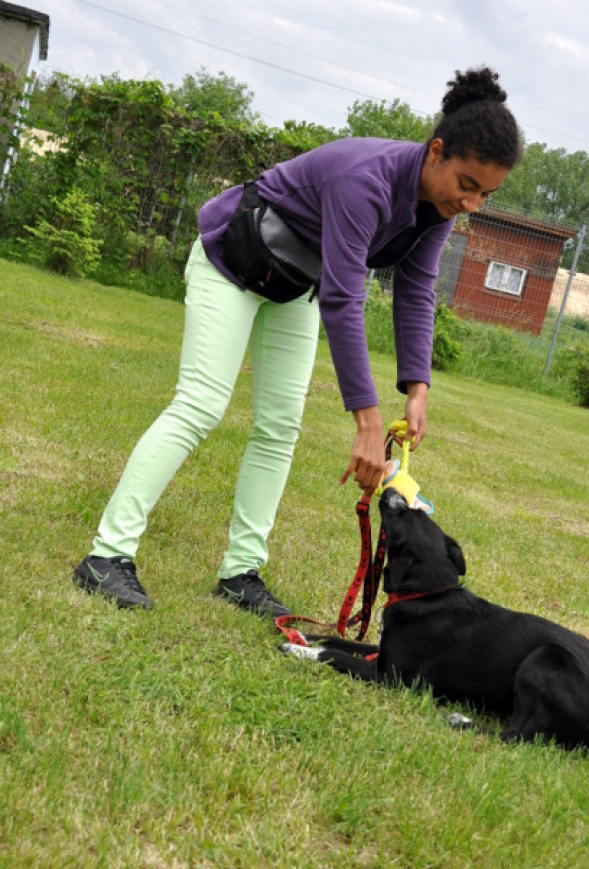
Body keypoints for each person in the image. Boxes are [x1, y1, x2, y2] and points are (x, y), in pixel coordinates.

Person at [72, 66, 522, 614]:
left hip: (292, 283)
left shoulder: (439, 207)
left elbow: (416, 288)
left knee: (280, 425)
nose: (471, 202)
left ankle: (241, 572)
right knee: (200, 405)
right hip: (232, 261)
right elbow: (343, 297)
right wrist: (366, 418)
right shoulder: (366, 179)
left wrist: (418, 387)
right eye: (467, 185)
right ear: (436, 152)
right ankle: (106, 557)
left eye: (486, 194)